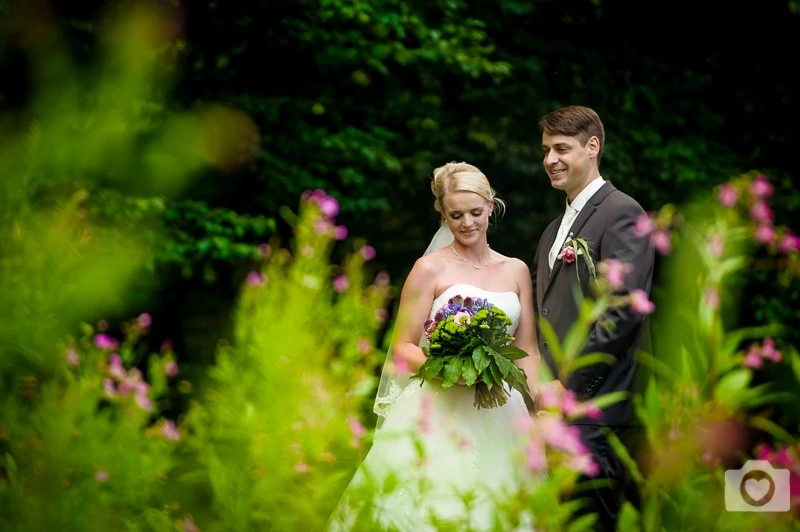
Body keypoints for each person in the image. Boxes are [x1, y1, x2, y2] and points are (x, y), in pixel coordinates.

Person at [327, 162, 540, 531]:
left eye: (475, 212)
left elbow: (528, 352)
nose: (467, 223)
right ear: (443, 215)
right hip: (440, 410)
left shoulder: (517, 270)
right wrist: (454, 370)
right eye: (455, 215)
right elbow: (402, 347)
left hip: (503, 411)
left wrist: (542, 408)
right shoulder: (429, 269)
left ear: (492, 206)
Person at [532, 105, 655, 530]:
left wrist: (566, 390)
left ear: (593, 146)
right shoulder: (552, 231)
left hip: (600, 411)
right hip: (557, 412)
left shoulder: (622, 212)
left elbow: (620, 315)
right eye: (546, 149)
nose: (550, 159)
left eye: (562, 148)